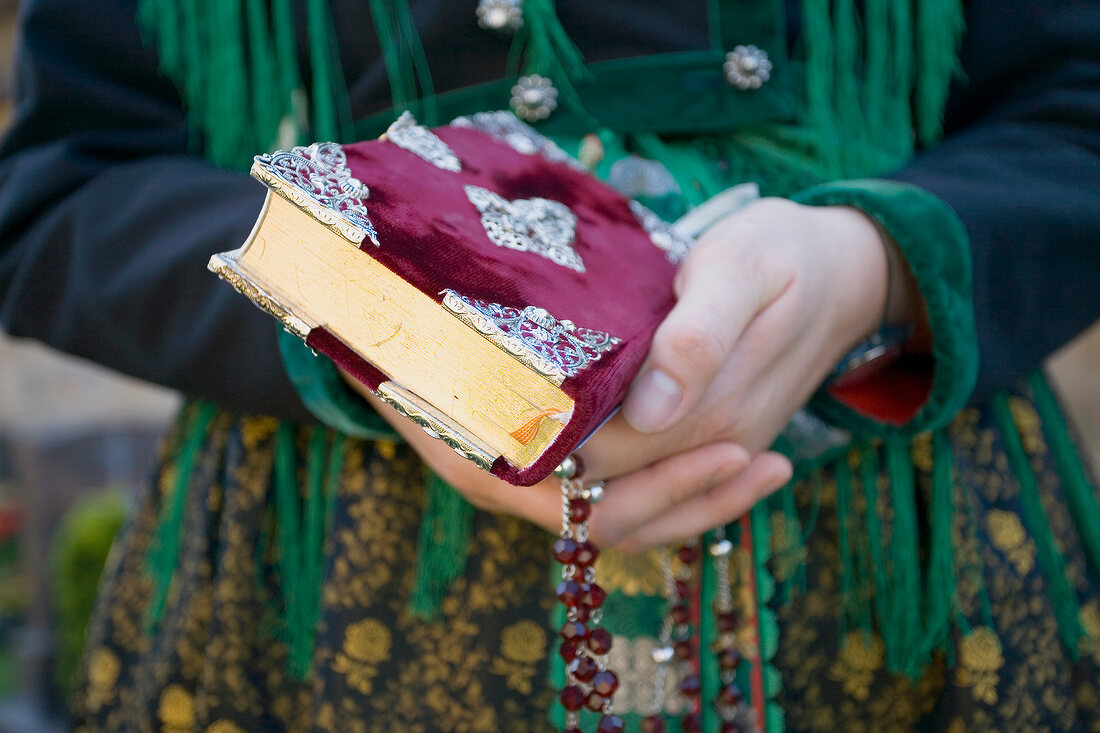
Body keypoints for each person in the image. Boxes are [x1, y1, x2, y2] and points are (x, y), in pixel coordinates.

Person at [1, 0, 1098, 731]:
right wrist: (384, 337)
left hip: (911, 567)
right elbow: (61, 186)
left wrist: (875, 265)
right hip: (332, 585)